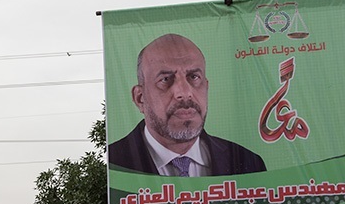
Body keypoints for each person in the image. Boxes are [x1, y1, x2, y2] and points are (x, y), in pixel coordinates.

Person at [108, 33, 265, 176]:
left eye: (194, 77)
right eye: (165, 79)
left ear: (206, 87)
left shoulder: (248, 163)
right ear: (140, 98)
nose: (184, 92)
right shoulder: (113, 165)